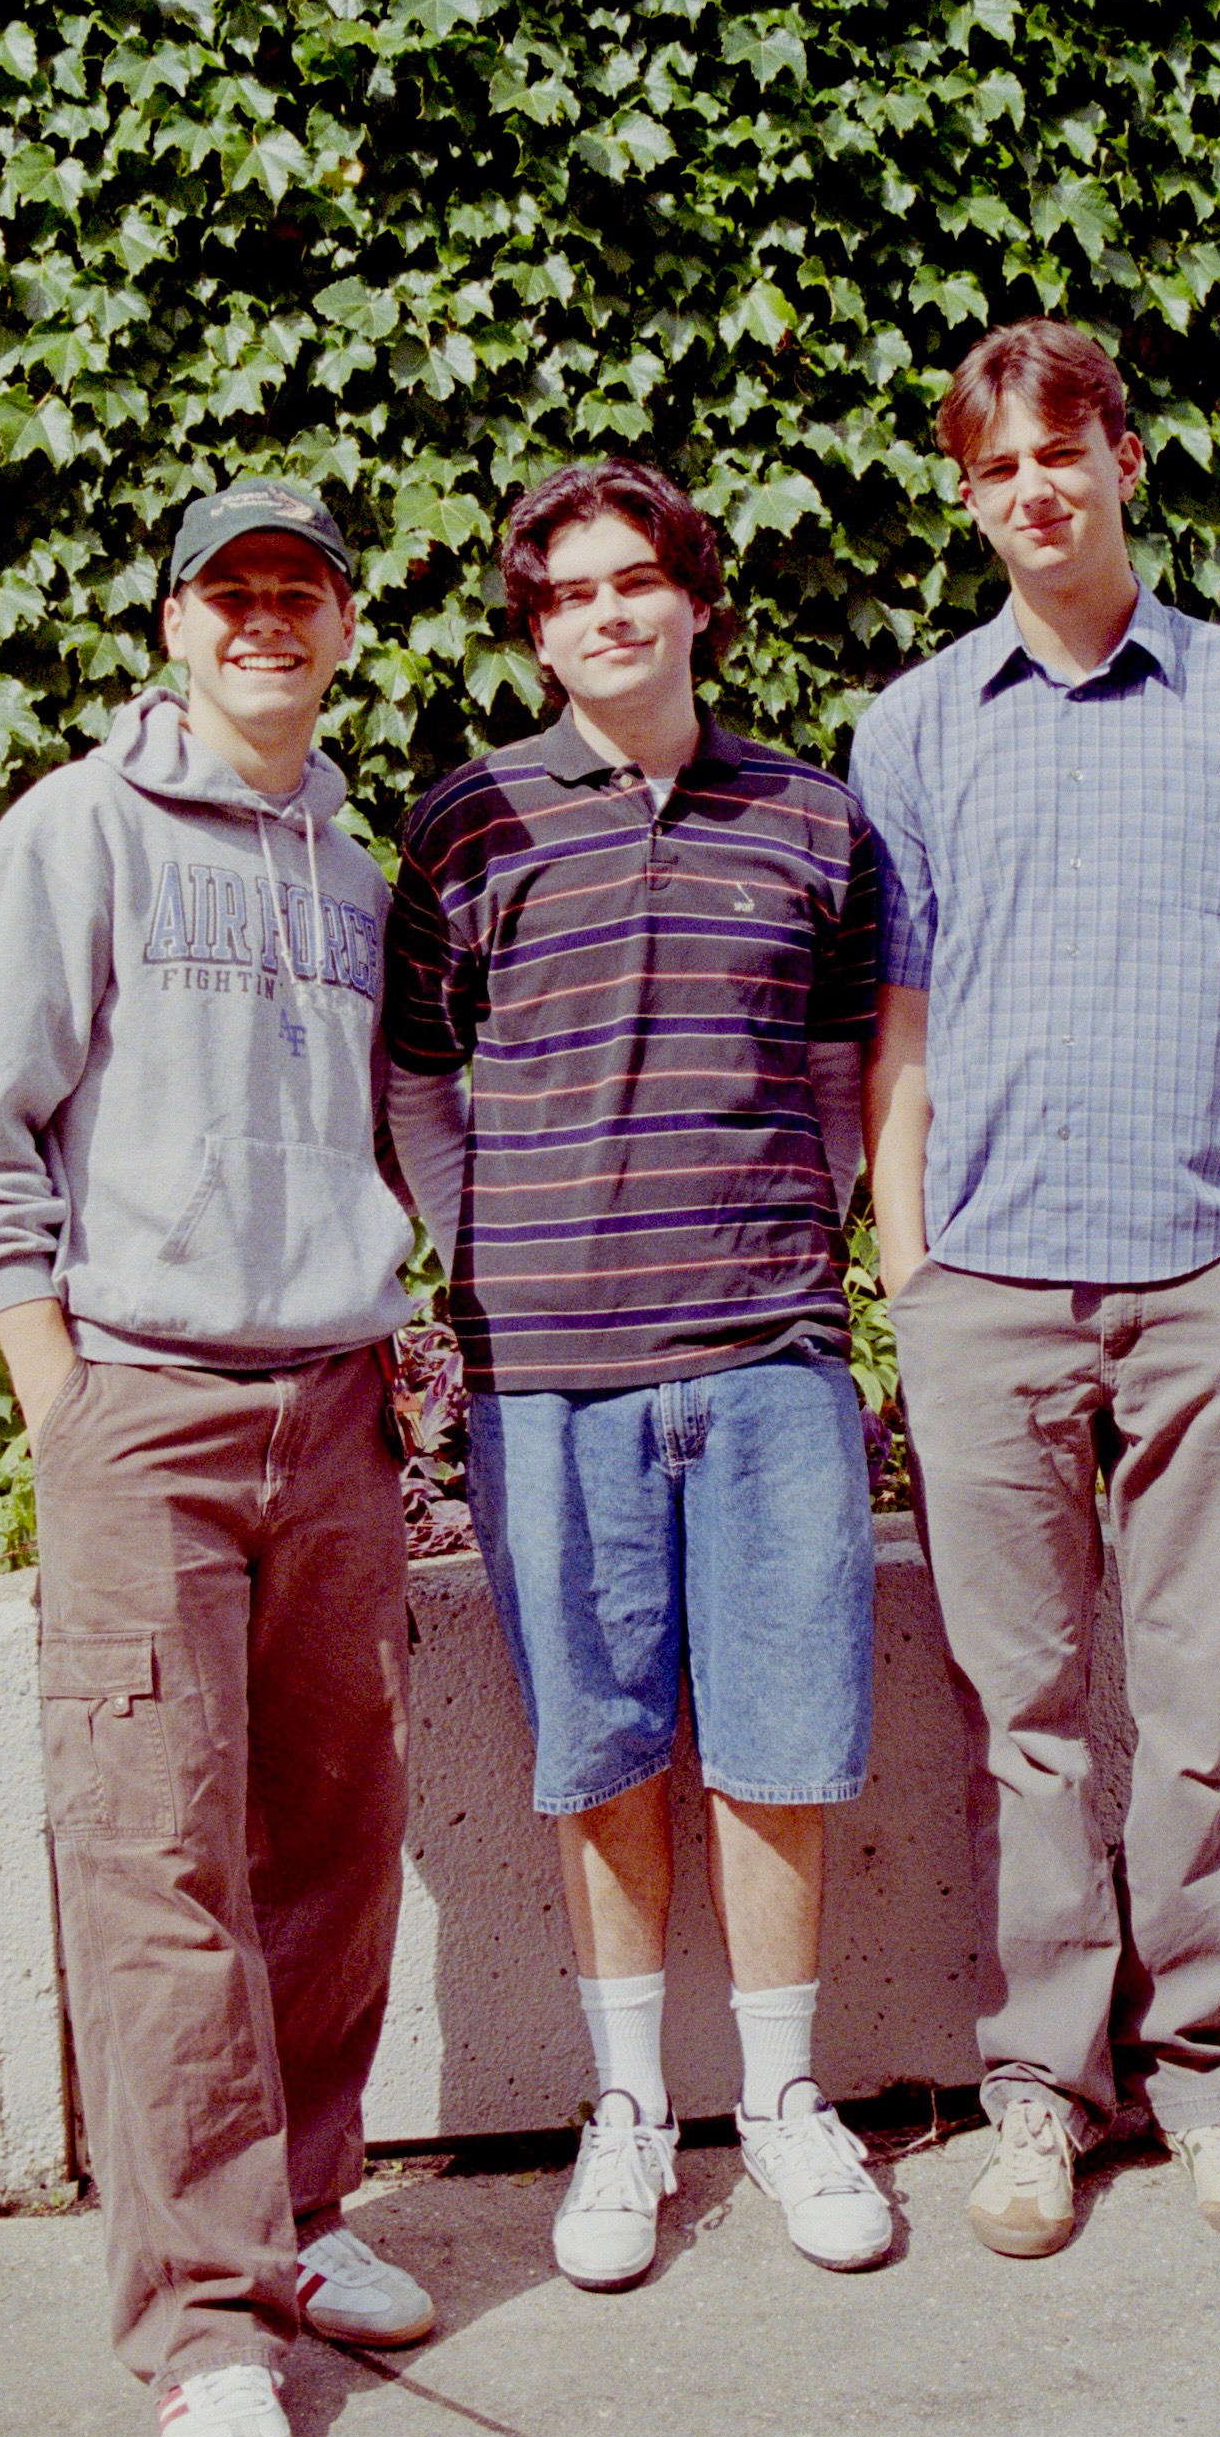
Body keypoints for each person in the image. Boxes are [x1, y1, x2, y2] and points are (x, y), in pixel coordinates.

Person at [0, 480, 434, 2437]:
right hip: (142, 1411)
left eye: (299, 596)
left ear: (346, 633)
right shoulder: (76, 834)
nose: (265, 626)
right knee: (158, 1872)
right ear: (171, 630)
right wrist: (64, 1402)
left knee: (328, 1838)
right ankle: (199, 2326)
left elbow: (381, 1132)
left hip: (333, 1414)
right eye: (230, 597)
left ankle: (299, 2228)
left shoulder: (351, 875)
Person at [852, 318, 1220, 2258]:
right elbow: (897, 1016)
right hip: (986, 1285)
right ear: (969, 491)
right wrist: (905, 1261)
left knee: (1195, 1710)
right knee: (1025, 1718)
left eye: (1056, 455)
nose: (1029, 494)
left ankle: (1209, 2091)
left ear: (1122, 458)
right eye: (993, 469)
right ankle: (1035, 2101)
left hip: (1201, 1284)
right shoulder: (911, 728)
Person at [384, 459, 892, 2289]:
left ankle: (780, 2105)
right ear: (536, 631)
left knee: (780, 1742)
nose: (606, 613)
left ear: (695, 597)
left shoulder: (818, 822)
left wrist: (777, 1234)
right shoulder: (465, 830)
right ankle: (629, 2118)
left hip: (768, 1356)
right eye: (567, 593)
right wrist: (489, 1264)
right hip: (552, 1377)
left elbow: (846, 1084)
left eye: (636, 580)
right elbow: (420, 1087)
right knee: (600, 1751)